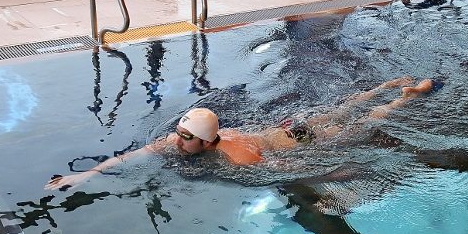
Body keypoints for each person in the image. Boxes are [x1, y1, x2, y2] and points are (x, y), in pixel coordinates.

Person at [45, 78, 435, 191]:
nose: (177, 143)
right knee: (339, 111)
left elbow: (288, 168)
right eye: (179, 134)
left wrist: (333, 174)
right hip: (279, 130)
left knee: (355, 125)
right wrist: (86, 175)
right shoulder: (179, 140)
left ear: (207, 143)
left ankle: (404, 96)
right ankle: (386, 86)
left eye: (186, 139)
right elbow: (130, 157)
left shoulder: (238, 156)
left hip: (295, 138)